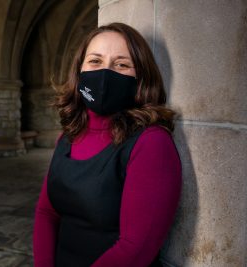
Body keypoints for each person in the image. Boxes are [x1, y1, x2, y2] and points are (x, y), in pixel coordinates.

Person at [32, 22, 182, 267]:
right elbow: (47, 213)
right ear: (79, 70)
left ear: (140, 77)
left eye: (121, 64)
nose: (105, 74)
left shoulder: (151, 143)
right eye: (95, 61)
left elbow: (136, 249)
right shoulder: (68, 135)